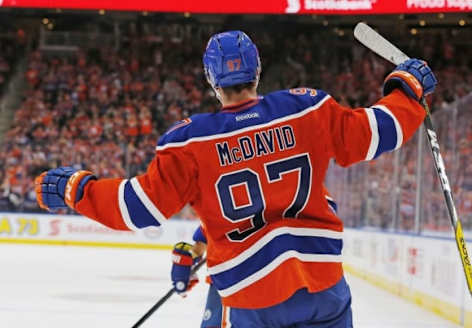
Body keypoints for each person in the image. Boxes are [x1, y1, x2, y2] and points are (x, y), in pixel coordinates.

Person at [35, 30, 437, 327]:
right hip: (322, 288)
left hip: (253, 298)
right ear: (257, 71)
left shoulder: (189, 142)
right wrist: (408, 88)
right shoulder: (308, 109)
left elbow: (136, 208)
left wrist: (76, 189)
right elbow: (380, 131)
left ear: (212, 81)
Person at [171, 226, 222, 328]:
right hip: (259, 283)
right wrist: (186, 261)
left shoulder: (218, 212)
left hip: (224, 281)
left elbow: (200, 244)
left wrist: (183, 265)